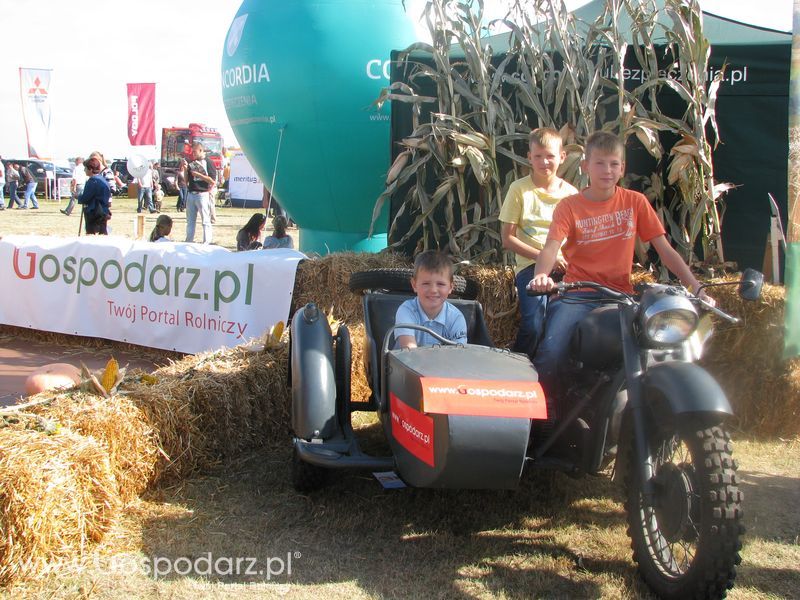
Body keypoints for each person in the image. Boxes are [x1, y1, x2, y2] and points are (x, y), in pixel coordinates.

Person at [528, 131, 715, 392]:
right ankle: (542, 419)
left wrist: (696, 287)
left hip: (622, 297)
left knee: (655, 348)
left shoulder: (634, 202)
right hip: (578, 295)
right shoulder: (569, 207)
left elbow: (665, 250)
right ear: (585, 167)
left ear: (622, 168)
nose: (607, 170)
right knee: (552, 350)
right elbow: (550, 248)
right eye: (600, 163)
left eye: (614, 163)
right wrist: (541, 276)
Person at [499, 127, 579, 356]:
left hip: (565, 269)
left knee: (567, 324)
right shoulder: (519, 190)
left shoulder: (571, 194)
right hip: (530, 267)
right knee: (534, 325)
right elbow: (508, 239)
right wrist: (545, 258)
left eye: (550, 156)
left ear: (562, 157)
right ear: (529, 158)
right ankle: (518, 367)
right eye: (538, 156)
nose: (544, 162)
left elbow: (577, 240)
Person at [394, 250, 468, 349]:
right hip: (406, 363)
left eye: (440, 284)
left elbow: (459, 353)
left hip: (444, 364)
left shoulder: (456, 318)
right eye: (426, 283)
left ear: (450, 287)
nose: (433, 290)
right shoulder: (407, 310)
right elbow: (409, 349)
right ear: (414, 285)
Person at [182, 142, 217, 244]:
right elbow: (186, 180)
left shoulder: (208, 162)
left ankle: (206, 242)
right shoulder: (192, 163)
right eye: (192, 152)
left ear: (201, 150)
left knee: (205, 220)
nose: (193, 154)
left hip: (202, 194)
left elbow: (212, 181)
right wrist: (185, 169)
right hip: (191, 193)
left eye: (195, 151)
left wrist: (199, 175)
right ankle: (189, 241)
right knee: (190, 221)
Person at [78, 157, 111, 235]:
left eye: (85, 168)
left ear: (90, 169)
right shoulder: (103, 179)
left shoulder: (93, 181)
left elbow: (85, 198)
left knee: (91, 236)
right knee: (102, 234)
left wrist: (78, 196)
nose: (84, 170)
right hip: (104, 211)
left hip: (94, 212)